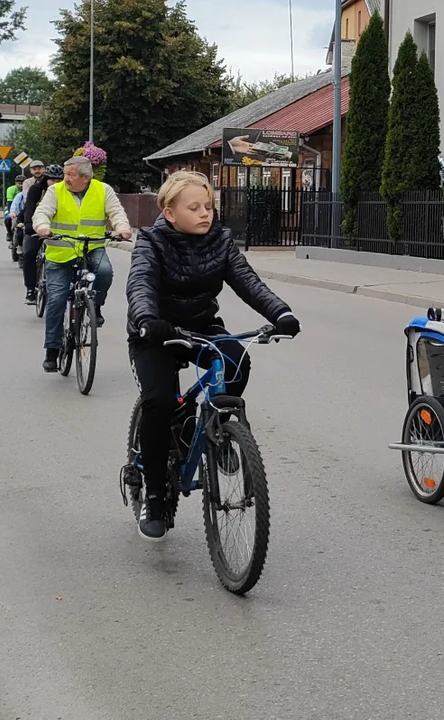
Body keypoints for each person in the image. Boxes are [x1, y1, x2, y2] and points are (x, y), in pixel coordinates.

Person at [125, 171, 300, 541]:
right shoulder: (151, 242)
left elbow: (248, 282)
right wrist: (147, 320)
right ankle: (154, 494)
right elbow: (140, 283)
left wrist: (281, 314)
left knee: (238, 363)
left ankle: (213, 428)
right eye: (195, 208)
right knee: (158, 403)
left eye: (209, 206)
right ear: (170, 213)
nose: (205, 213)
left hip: (202, 326)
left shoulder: (221, 240)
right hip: (156, 331)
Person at [33, 156, 132, 371]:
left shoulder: (103, 190)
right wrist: (42, 226)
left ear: (85, 177)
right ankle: (52, 349)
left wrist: (123, 228)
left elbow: (116, 212)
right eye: (65, 174)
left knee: (105, 272)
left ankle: (95, 306)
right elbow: (42, 212)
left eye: (70, 174)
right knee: (57, 299)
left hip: (92, 247)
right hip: (61, 252)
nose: (65, 178)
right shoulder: (55, 191)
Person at [21, 164, 64, 304]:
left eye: (59, 180)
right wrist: (29, 226)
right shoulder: (36, 189)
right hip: (36, 226)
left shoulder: (67, 191)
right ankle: (30, 289)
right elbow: (29, 208)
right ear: (46, 179)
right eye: (52, 180)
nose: (56, 183)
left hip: (58, 229)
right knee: (29, 253)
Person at [4, 176, 24, 244]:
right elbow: (10, 203)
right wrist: (12, 213)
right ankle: (9, 233)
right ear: (16, 183)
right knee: (8, 218)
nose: (21, 185)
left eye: (23, 183)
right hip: (11, 207)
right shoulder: (11, 189)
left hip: (23, 209)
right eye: (19, 183)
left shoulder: (28, 189)